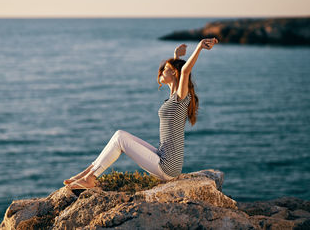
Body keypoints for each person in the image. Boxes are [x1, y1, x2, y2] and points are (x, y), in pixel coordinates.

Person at [64, 37, 219, 189]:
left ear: (173, 74)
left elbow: (184, 72)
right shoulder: (174, 95)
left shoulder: (181, 97)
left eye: (165, 70)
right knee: (119, 134)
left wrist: (199, 47)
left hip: (168, 166)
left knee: (120, 139)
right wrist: (176, 56)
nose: (160, 73)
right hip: (164, 157)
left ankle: (90, 178)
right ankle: (85, 174)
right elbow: (178, 73)